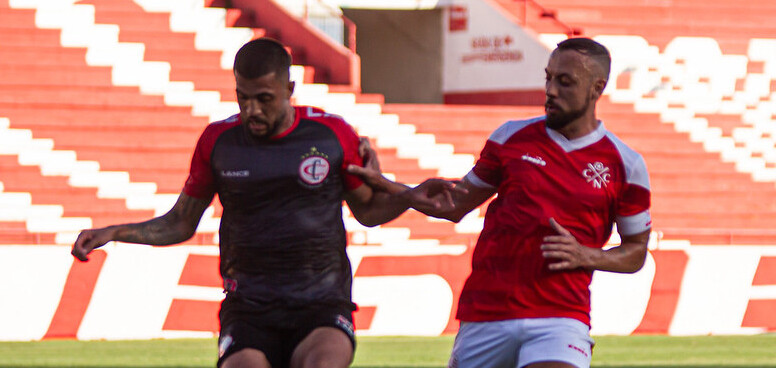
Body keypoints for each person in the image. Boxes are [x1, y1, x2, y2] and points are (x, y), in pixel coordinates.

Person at [71, 37, 459, 368]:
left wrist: (409, 197)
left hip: (321, 304)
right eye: (243, 97)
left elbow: (368, 211)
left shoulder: (331, 135)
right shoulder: (218, 143)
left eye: (264, 99)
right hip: (249, 308)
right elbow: (181, 223)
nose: (251, 110)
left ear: (290, 89)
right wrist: (114, 232)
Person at [351, 37, 652, 368]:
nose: (550, 90)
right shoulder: (510, 137)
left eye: (564, 81)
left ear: (597, 88)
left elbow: (636, 250)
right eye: (548, 77)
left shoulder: (626, 164)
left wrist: (588, 256)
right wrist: (393, 187)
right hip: (487, 311)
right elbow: (455, 206)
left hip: (560, 316)